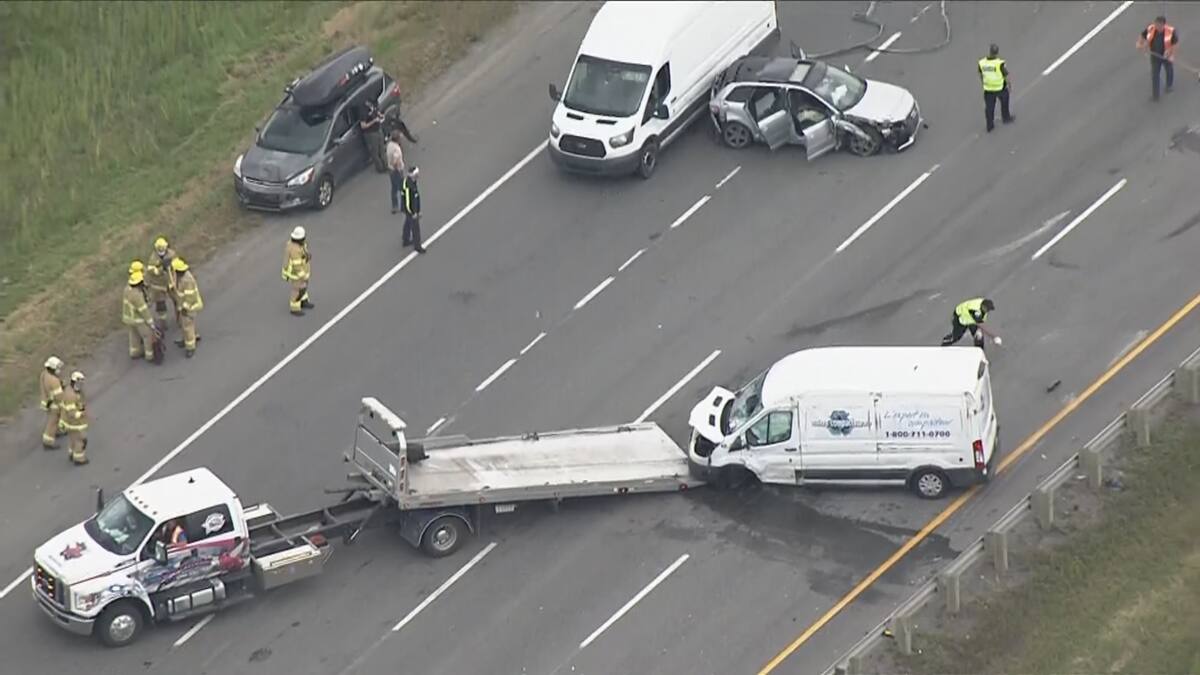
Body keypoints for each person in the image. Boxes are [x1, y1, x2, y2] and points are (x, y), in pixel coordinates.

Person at [1138, 16, 1178, 100]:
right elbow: (1143, 35)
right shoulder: (1151, 28)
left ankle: (1169, 86)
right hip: (1155, 55)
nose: (1157, 27)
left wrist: (1171, 54)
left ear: (1164, 25)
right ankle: (1155, 95)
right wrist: (1139, 43)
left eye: (1159, 25)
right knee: (1155, 74)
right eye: (1156, 24)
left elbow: (1175, 44)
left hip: (1166, 55)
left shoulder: (1171, 31)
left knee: (1169, 70)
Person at [123, 261, 157, 360]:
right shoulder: (137, 295)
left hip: (128, 319)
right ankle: (149, 355)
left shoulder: (127, 289)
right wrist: (151, 323)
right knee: (147, 336)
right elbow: (144, 311)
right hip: (138, 320)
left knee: (134, 336)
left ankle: (135, 352)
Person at [171, 257, 203, 357]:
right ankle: (190, 338)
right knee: (184, 324)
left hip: (189, 307)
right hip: (183, 306)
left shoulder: (187, 280)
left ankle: (190, 347)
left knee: (187, 326)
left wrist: (185, 308)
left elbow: (190, 297)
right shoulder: (180, 277)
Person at [978, 44, 1014, 132]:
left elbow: (981, 74)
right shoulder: (1000, 63)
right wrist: (1009, 85)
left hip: (988, 89)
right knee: (1004, 103)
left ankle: (989, 126)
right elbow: (1006, 75)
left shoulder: (982, 63)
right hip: (1000, 88)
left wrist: (983, 83)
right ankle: (1006, 118)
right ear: (997, 52)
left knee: (989, 107)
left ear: (990, 51)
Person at [59, 371, 89, 466]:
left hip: (70, 423)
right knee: (81, 440)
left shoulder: (72, 391)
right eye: (79, 383)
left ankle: (72, 453)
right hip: (74, 423)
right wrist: (81, 414)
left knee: (73, 439)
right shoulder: (70, 396)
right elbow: (72, 412)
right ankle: (79, 458)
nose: (81, 385)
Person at [146, 236, 177, 329]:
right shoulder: (153, 258)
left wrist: (171, 265)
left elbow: (176, 265)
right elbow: (151, 271)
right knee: (161, 305)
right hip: (159, 286)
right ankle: (163, 323)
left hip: (171, 282)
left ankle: (180, 319)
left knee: (177, 301)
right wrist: (160, 269)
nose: (161, 252)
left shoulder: (172, 254)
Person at [282, 226, 313, 316]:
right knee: (297, 289)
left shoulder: (300, 244)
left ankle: (303, 301)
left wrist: (307, 255)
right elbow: (297, 265)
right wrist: (303, 276)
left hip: (302, 271)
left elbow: (304, 252)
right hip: (296, 274)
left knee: (303, 287)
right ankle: (294, 308)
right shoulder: (294, 250)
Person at [39, 356, 66, 449]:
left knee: (54, 420)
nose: (59, 370)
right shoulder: (54, 381)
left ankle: (57, 431)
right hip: (54, 404)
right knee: (53, 422)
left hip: (46, 402)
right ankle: (48, 441)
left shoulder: (44, 374)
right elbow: (59, 397)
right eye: (58, 368)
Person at [357, 99, 388, 173]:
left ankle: (386, 165)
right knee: (375, 152)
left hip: (378, 129)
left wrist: (380, 115)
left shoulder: (372, 103)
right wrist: (374, 121)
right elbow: (363, 126)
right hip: (370, 133)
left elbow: (376, 111)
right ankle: (380, 168)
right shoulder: (362, 110)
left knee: (382, 149)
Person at [401, 166, 425, 253]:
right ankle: (417, 246)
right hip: (410, 210)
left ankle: (405, 239)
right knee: (415, 227)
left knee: (408, 222)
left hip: (411, 209)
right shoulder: (408, 186)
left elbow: (415, 198)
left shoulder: (412, 182)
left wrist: (418, 210)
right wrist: (414, 212)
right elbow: (408, 202)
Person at [386, 129, 406, 214]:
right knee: (403, 188)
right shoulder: (397, 149)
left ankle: (395, 206)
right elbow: (396, 159)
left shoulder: (389, 145)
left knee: (394, 188)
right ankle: (403, 206)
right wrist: (397, 168)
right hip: (397, 170)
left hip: (390, 169)